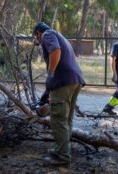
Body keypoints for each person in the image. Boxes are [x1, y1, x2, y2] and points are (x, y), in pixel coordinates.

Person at [34, 22, 85, 167]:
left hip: (63, 81)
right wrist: (46, 93)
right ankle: (62, 149)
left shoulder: (47, 34)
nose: (38, 40)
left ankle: (63, 156)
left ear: (38, 33)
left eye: (36, 37)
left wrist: (50, 74)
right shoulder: (60, 35)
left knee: (57, 119)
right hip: (75, 80)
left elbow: (55, 51)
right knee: (66, 119)